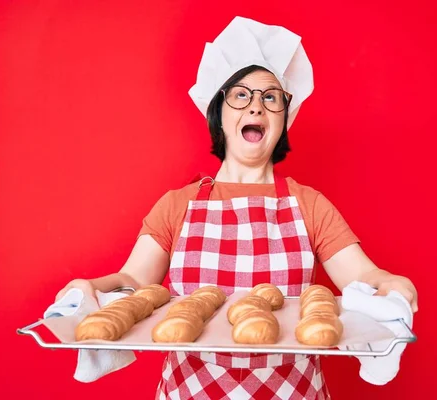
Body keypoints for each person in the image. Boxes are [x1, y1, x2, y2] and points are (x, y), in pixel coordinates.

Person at [55, 16, 418, 399]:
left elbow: (362, 277)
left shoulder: (309, 204)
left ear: (283, 119)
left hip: (293, 390)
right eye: (240, 95)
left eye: (271, 97)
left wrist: (390, 285)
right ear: (220, 111)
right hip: (189, 389)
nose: (256, 107)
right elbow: (133, 283)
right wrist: (92, 288)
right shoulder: (178, 204)